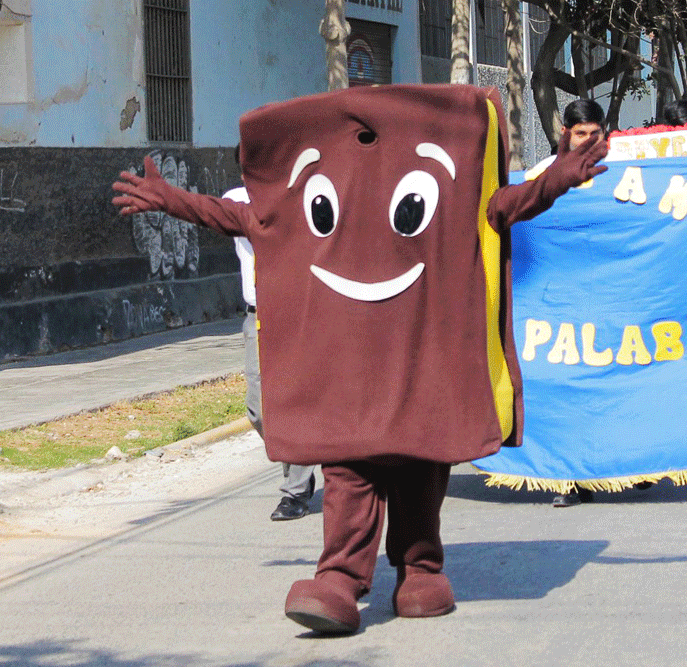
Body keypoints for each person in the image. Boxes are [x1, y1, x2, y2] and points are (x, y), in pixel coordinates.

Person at [112, 84, 608, 635]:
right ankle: (340, 578)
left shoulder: (452, 204)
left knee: (421, 473)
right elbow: (231, 216)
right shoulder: (300, 211)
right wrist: (170, 198)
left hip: (420, 374)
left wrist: (563, 174)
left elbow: (511, 205)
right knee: (347, 475)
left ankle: (419, 567)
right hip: (347, 384)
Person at [526, 99, 607, 508]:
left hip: (611, 300)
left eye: (595, 135)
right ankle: (567, 478)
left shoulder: (622, 174)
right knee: (562, 393)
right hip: (556, 305)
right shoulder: (541, 175)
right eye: (581, 135)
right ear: (566, 135)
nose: (588, 142)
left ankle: (621, 469)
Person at [225, 159, 316, 522]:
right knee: (258, 408)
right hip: (257, 314)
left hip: (297, 312)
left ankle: (295, 491)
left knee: (295, 400)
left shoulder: (300, 197)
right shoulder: (236, 199)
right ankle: (301, 461)